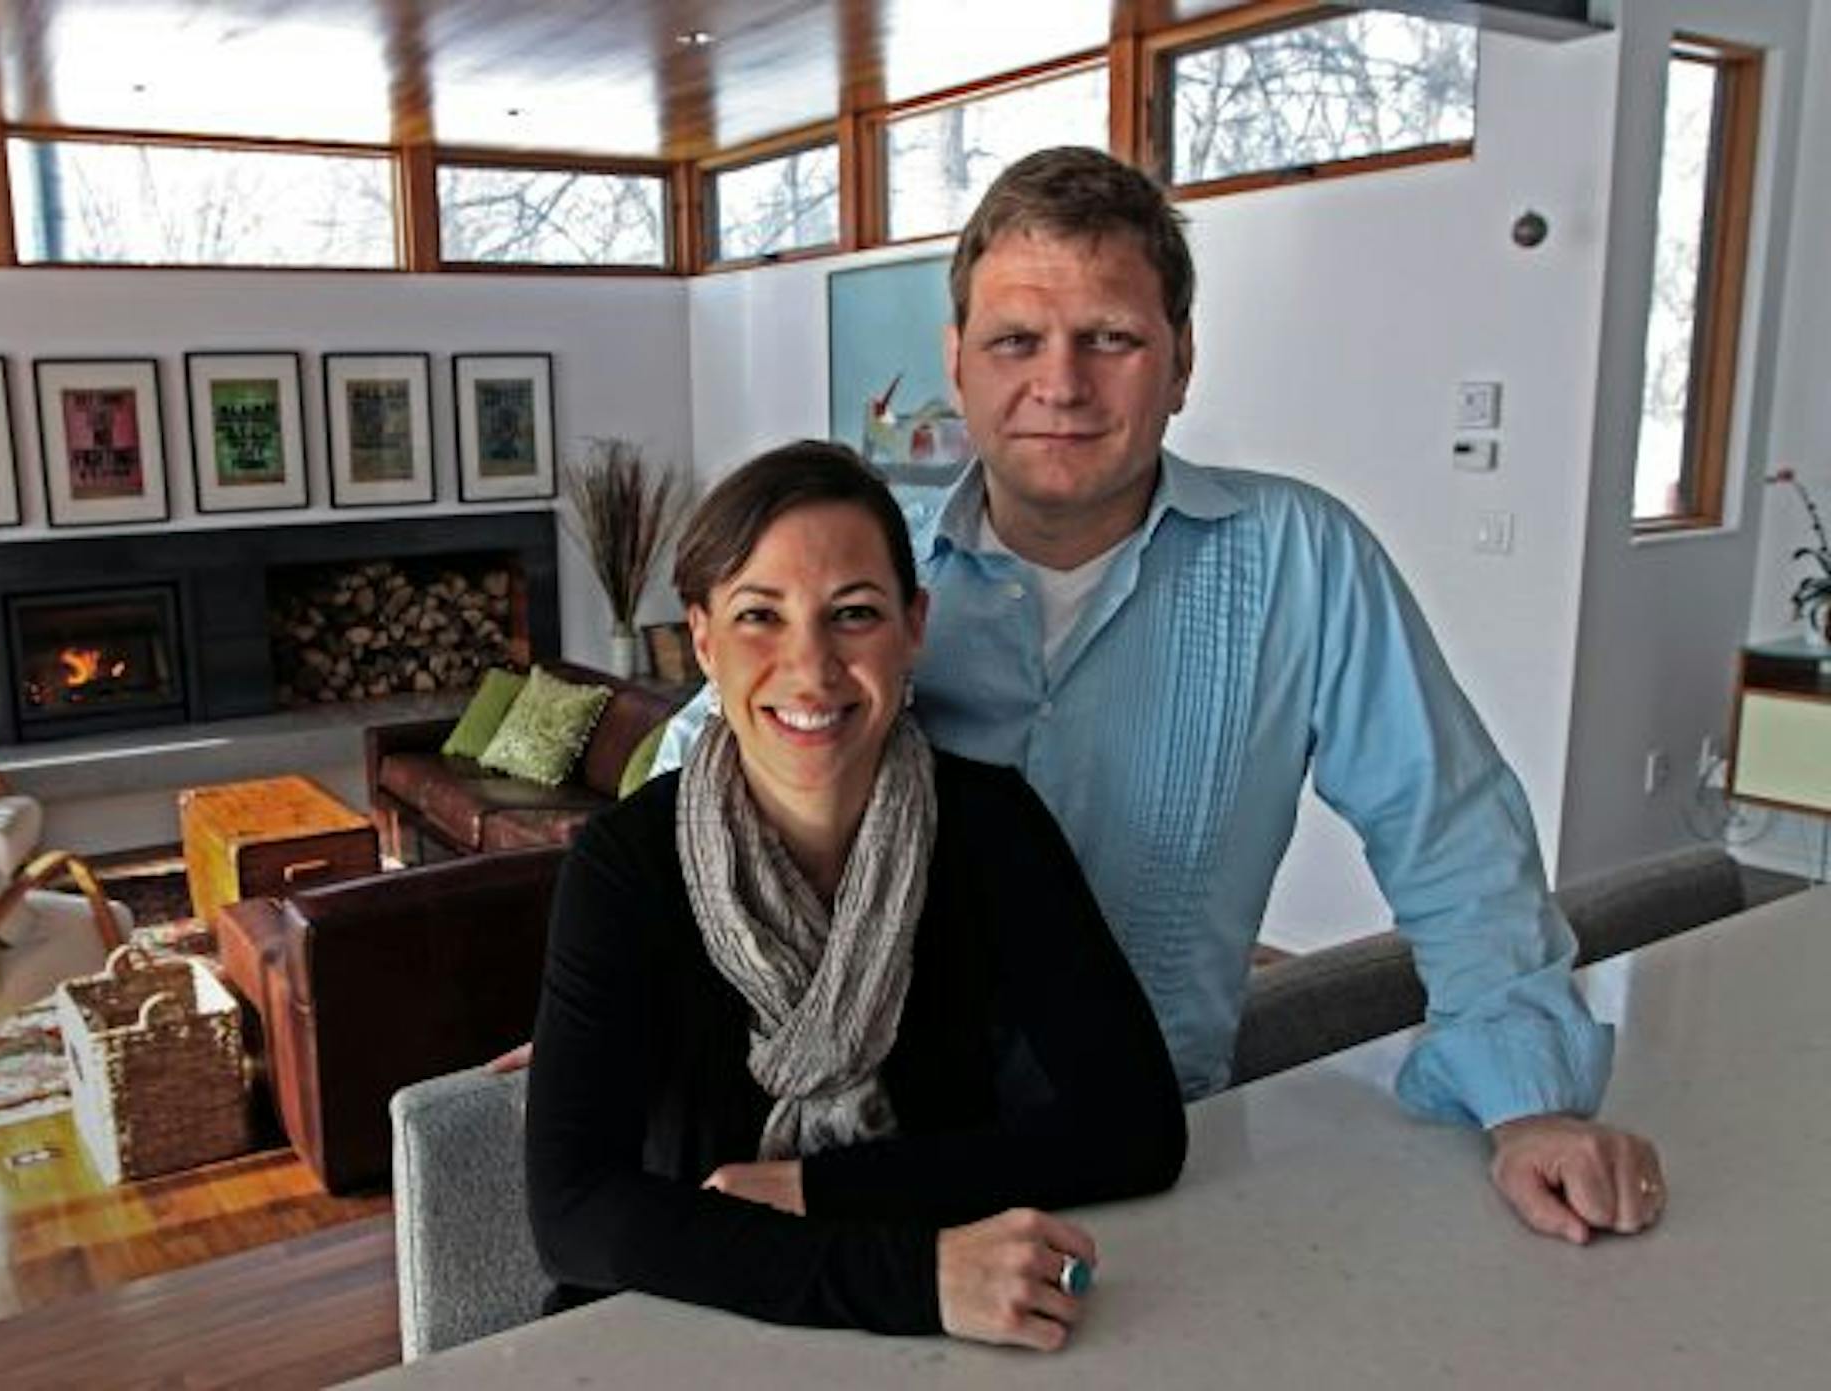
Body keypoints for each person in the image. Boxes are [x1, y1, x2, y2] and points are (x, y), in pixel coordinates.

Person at [654, 147, 1664, 1246]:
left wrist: (1530, 1102)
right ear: (958, 363)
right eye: (1015, 341)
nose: (1061, 383)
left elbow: (1452, 830)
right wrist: (607, 991)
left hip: (1152, 1161)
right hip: (863, 1170)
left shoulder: (1301, 562)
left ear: (1181, 361)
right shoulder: (873, 584)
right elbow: (701, 763)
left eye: (1112, 339)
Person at [525, 441, 1187, 1351]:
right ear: (705, 639)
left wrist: (820, 1192)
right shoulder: (624, 863)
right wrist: (915, 1276)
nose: (813, 667)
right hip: (682, 1330)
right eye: (761, 615)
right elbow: (574, 1213)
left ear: (914, 627)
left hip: (945, 1333)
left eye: (855, 614)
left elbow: (1134, 1127)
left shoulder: (990, 828)